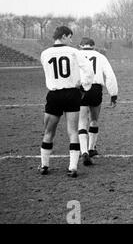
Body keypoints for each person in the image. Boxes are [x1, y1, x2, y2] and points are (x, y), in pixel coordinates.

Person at [39, 26, 94, 178]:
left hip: (54, 94)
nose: (71, 40)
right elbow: (88, 70)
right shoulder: (74, 52)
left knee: (49, 132)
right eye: (70, 37)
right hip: (72, 94)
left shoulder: (45, 54)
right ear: (63, 36)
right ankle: (73, 167)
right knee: (73, 132)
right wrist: (85, 87)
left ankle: (44, 165)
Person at [78, 38, 118, 165]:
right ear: (93, 46)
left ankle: (83, 151)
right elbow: (110, 75)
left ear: (81, 45)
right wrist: (113, 95)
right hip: (95, 88)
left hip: (81, 88)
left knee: (82, 121)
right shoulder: (100, 57)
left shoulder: (77, 55)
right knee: (94, 120)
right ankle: (91, 149)